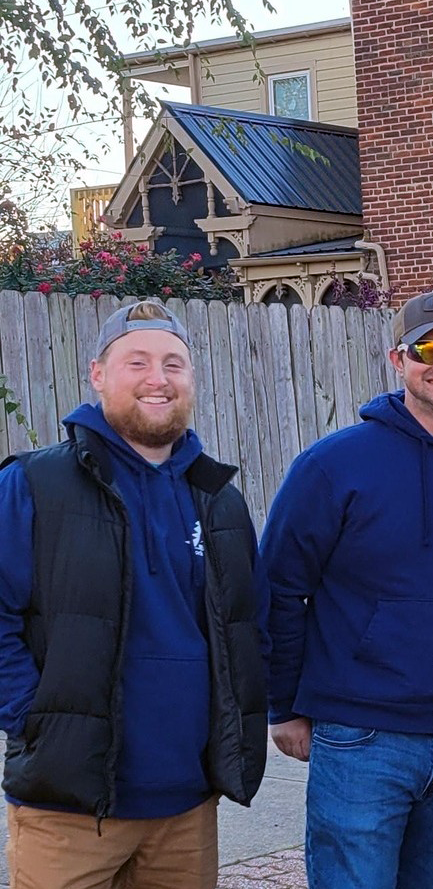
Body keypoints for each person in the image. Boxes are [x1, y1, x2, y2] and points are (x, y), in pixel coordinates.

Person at [0, 300, 267, 889]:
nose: (158, 378)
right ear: (98, 375)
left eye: (174, 364)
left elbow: (250, 628)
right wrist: (33, 719)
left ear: (192, 379)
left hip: (186, 811)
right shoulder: (35, 485)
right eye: (137, 361)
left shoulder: (219, 500)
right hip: (68, 809)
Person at [262, 292, 433, 888]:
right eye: (425, 349)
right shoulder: (332, 467)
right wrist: (284, 705)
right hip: (361, 737)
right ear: (396, 358)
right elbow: (279, 588)